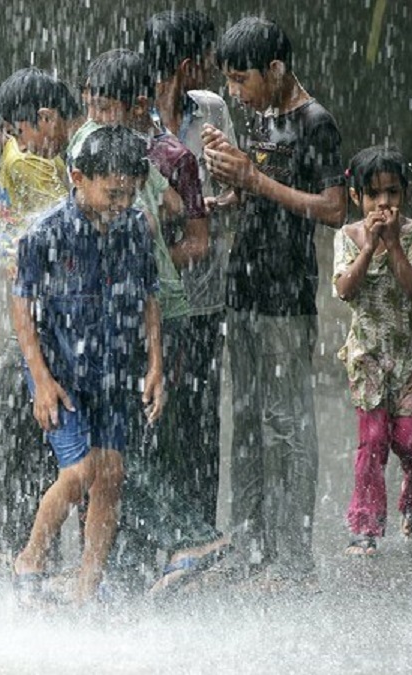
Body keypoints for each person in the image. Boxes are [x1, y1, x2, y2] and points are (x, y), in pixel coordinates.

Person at [73, 48, 228, 594]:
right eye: (90, 103)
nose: (96, 115)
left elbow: (184, 225)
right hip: (109, 317)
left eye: (106, 106)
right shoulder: (92, 143)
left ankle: (184, 538)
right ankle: (133, 570)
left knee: (128, 447)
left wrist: (149, 251)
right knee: (116, 449)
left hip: (155, 311)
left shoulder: (161, 156)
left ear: (138, 103)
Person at [201, 16, 348, 583]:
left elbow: (334, 210)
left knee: (289, 423)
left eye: (243, 81)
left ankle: (293, 557)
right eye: (230, 83)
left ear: (276, 70)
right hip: (244, 286)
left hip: (287, 294)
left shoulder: (317, 123)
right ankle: (248, 546)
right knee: (247, 417)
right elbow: (263, 193)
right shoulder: (261, 116)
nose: (236, 93)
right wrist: (232, 194)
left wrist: (255, 181)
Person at [11, 125, 163, 606]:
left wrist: (155, 365)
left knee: (112, 476)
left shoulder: (135, 226)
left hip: (115, 373)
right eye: (112, 192)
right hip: (62, 378)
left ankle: (85, 592)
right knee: (78, 473)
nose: (121, 202)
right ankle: (29, 560)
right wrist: (41, 381)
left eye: (129, 193)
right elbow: (21, 305)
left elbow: (149, 298)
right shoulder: (45, 234)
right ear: (78, 176)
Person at [0, 68, 80, 558]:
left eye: (21, 133)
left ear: (43, 119)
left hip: (55, 320)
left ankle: (24, 549)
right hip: (49, 315)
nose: (23, 144)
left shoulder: (37, 163)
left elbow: (39, 257)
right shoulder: (41, 158)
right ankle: (32, 550)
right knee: (36, 428)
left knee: (5, 416)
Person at [144, 9, 236, 537]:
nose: (214, 69)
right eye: (206, 60)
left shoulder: (211, 112)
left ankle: (200, 533)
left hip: (202, 297)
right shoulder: (133, 114)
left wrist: (222, 195)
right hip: (146, 300)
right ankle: (157, 536)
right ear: (186, 65)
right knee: (153, 418)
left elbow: (229, 183)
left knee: (200, 419)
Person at [332, 145, 412, 556]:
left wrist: (393, 245)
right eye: (374, 195)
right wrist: (370, 247)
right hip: (368, 357)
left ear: (405, 193)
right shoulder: (348, 236)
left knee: (409, 442)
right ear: (356, 197)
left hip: (410, 355)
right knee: (373, 440)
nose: (384, 204)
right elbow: (344, 290)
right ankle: (366, 527)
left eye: (392, 193)